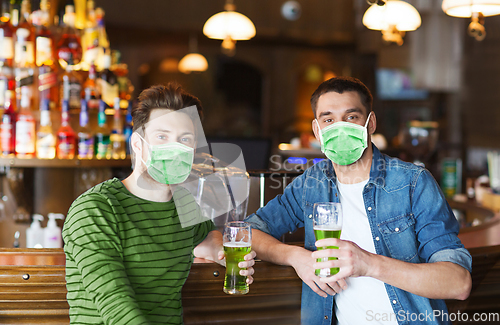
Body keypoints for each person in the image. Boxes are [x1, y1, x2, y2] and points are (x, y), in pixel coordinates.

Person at [244, 77, 472, 325]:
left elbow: (457, 283)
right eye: (328, 120)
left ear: (370, 123)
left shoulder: (413, 183)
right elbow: (249, 232)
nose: (339, 127)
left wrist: (369, 264)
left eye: (351, 117)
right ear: (317, 130)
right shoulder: (312, 184)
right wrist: (296, 257)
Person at [63, 83, 256, 325]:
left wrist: (222, 253)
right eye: (162, 137)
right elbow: (116, 308)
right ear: (137, 145)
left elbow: (206, 235)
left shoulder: (185, 206)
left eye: (184, 139)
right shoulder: (95, 209)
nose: (174, 149)